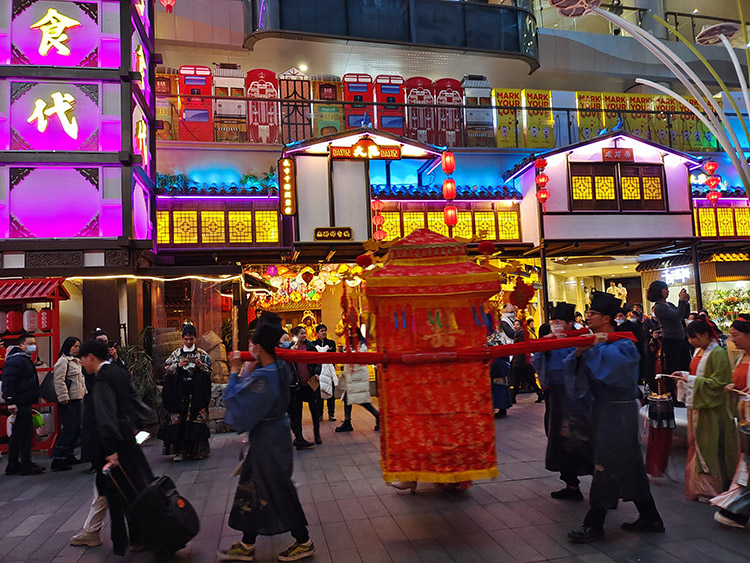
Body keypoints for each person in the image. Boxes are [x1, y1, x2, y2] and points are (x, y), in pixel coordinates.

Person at [565, 291, 664, 543]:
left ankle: (594, 523)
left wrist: (592, 348)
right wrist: (578, 353)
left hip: (619, 410)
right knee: (629, 465)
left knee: (606, 465)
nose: (587, 317)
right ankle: (650, 516)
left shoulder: (624, 342)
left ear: (607, 318)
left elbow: (616, 371)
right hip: (602, 409)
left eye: (592, 314)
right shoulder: (593, 340)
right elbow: (573, 367)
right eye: (587, 313)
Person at [219, 321, 315, 562]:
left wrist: (233, 371)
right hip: (275, 433)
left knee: (277, 489)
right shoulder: (280, 368)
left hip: (268, 439)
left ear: (260, 347)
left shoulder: (263, 377)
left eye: (253, 343)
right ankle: (247, 542)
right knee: (253, 487)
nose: (249, 346)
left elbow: (236, 398)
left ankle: (303, 541)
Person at [77, 339, 154, 556]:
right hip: (128, 439)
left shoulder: (101, 380)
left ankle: (122, 542)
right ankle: (136, 538)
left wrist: (110, 450)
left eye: (83, 359)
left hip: (113, 446)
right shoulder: (118, 372)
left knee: (117, 494)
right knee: (131, 488)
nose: (82, 364)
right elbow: (135, 401)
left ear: (91, 357)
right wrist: (139, 426)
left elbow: (105, 415)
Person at [532, 302, 593, 502]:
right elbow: (537, 361)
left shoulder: (582, 338)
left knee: (583, 438)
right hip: (556, 396)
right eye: (553, 322)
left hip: (578, 394)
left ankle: (605, 484)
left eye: (559, 322)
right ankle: (571, 484)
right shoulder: (548, 340)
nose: (555, 325)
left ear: (569, 323)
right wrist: (543, 346)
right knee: (558, 439)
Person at [673, 318, 738, 502]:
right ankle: (699, 486)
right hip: (699, 406)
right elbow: (697, 376)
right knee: (698, 445)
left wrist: (690, 380)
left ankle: (711, 487)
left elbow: (719, 383)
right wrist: (685, 376)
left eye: (693, 337)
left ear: (704, 335)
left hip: (712, 409)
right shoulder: (699, 351)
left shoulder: (717, 353)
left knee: (709, 446)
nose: (691, 341)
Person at [712, 314, 750, 527]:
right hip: (743, 417)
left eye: (736, 335)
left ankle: (737, 511)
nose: (732, 339)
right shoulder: (740, 357)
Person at [160, 323, 213, 461]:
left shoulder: (202, 354)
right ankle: (180, 452)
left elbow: (210, 369)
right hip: (179, 392)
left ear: (195, 338)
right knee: (179, 423)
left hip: (196, 393)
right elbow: (166, 367)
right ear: (182, 339)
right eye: (186, 339)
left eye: (191, 339)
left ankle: (197, 451)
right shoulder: (176, 354)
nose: (188, 342)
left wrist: (200, 366)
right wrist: (177, 365)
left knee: (196, 421)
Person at [1, 334, 44, 475]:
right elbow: (9, 381)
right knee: (24, 433)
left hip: (24, 400)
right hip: (20, 401)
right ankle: (25, 464)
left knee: (18, 434)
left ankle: (14, 464)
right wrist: (11, 401)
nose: (33, 345)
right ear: (21, 345)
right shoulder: (17, 360)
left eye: (34, 342)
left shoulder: (23, 359)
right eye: (30, 343)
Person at [647, 280, 690, 399]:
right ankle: (672, 394)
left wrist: (685, 302)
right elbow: (677, 315)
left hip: (679, 338)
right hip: (671, 339)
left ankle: (683, 393)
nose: (667, 291)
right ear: (658, 291)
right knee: (672, 368)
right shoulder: (659, 307)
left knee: (684, 365)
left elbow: (683, 314)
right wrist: (681, 301)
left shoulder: (668, 304)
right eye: (665, 289)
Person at [51, 336, 86, 471]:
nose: (77, 349)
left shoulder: (76, 361)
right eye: (74, 346)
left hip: (77, 398)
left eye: (78, 346)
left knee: (76, 428)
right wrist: (63, 397)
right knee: (69, 429)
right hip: (68, 400)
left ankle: (69, 454)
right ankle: (58, 458)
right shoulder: (63, 361)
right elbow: (58, 380)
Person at [335, 327, 379, 432]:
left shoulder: (362, 345)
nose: (350, 335)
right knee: (347, 399)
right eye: (349, 333)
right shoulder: (349, 345)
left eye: (352, 333)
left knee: (363, 401)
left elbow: (360, 358)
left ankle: (378, 416)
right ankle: (347, 421)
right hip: (350, 377)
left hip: (358, 377)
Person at [289, 326, 322, 445]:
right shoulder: (291, 348)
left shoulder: (310, 347)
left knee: (315, 409)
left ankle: (317, 433)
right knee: (297, 412)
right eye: (302, 333)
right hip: (297, 385)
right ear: (296, 335)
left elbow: (318, 361)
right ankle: (299, 436)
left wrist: (317, 372)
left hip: (310, 383)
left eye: (305, 333)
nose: (304, 335)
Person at [312, 323, 337, 422]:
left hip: (329, 371)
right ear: (317, 333)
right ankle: (319, 414)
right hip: (318, 372)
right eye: (322, 331)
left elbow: (333, 355)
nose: (324, 332)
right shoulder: (313, 344)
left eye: (325, 330)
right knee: (319, 394)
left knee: (331, 394)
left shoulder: (331, 343)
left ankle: (331, 414)